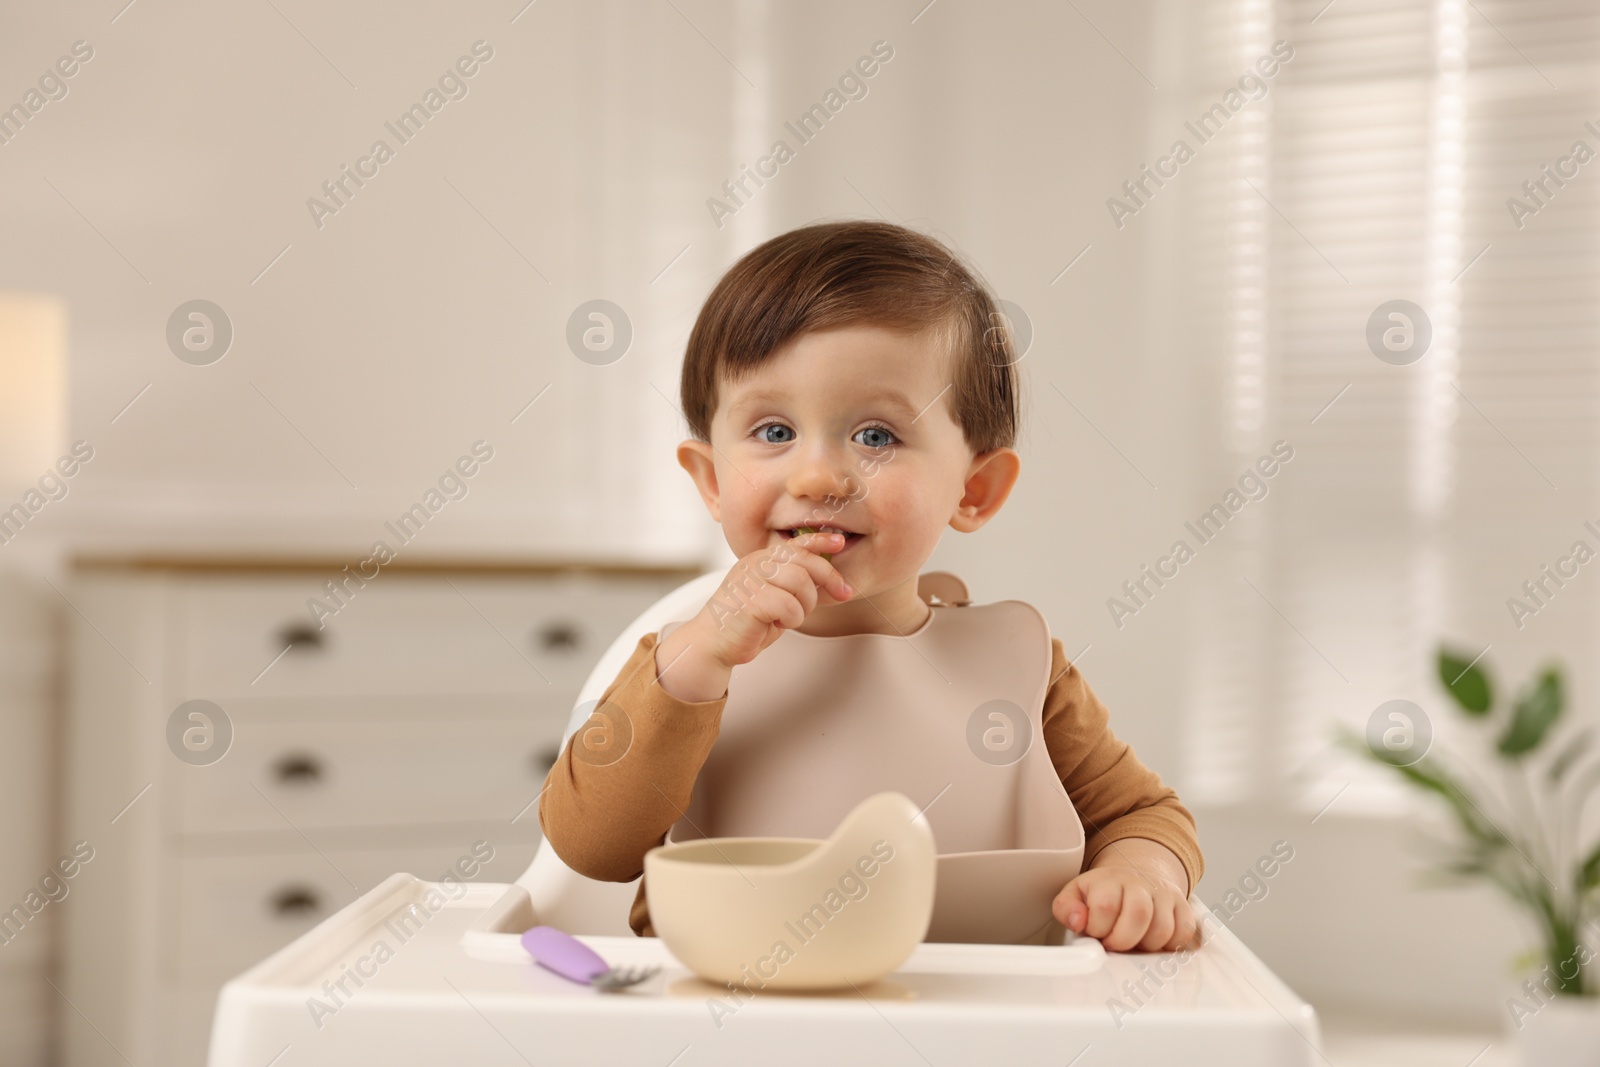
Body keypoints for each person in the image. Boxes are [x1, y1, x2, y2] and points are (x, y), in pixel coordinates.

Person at [539, 220, 1203, 952]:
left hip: (980, 1023)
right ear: (711, 480)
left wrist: (1142, 875)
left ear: (974, 488)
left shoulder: (1018, 666)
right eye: (772, 430)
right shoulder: (681, 668)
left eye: (877, 436)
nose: (819, 475)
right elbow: (588, 844)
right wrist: (695, 664)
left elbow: (1142, 815)